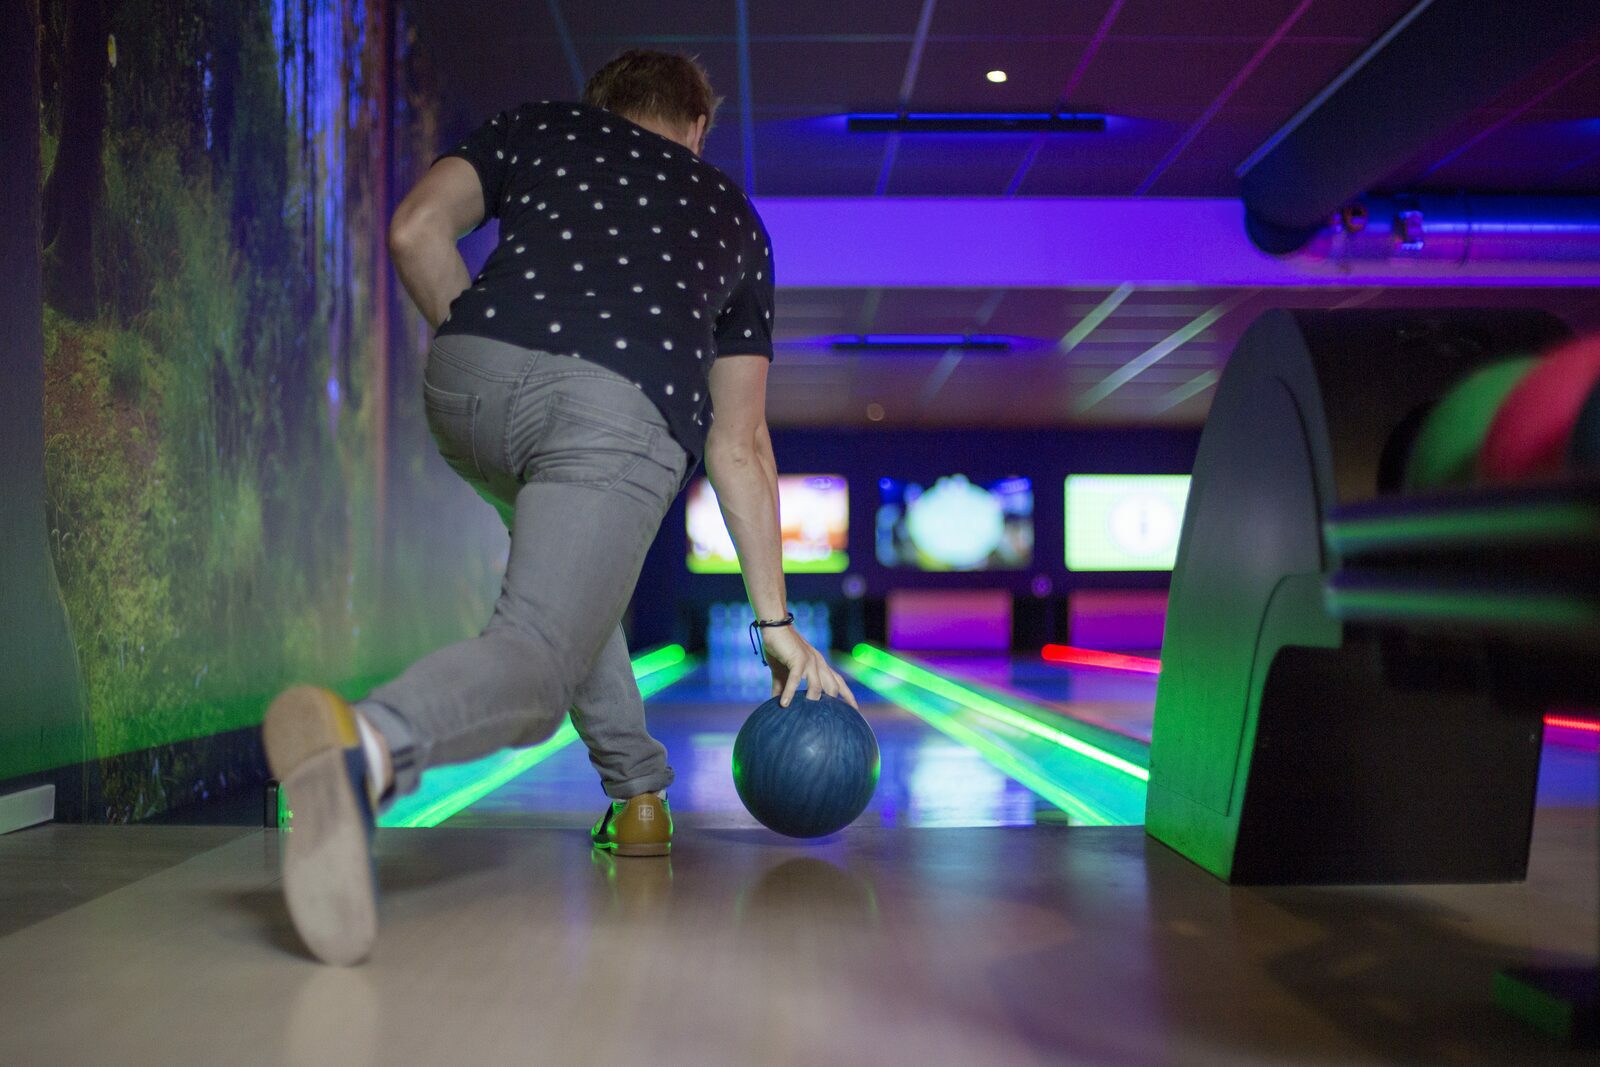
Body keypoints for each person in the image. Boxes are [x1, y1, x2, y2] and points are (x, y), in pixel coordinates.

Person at [262, 50, 857, 966]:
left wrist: (484, 339)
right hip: (614, 409)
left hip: (468, 385)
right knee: (537, 663)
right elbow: (738, 446)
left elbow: (415, 230)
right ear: (699, 128)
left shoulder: (541, 124)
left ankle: (639, 793)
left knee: (571, 597)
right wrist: (773, 619)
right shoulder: (733, 215)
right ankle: (367, 746)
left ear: (602, 107)